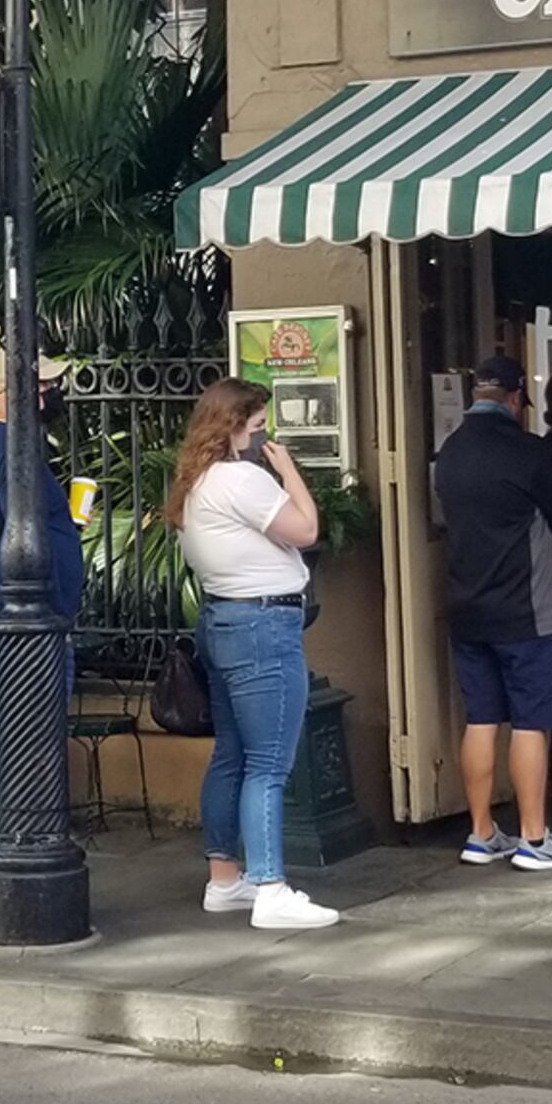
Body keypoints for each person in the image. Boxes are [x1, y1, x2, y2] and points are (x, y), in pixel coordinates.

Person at [171, 378, 335, 930]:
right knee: (269, 763)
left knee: (233, 754)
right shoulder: (241, 479)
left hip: (223, 619)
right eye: (259, 422)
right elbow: (307, 529)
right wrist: (289, 473)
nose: (264, 432)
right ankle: (270, 887)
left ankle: (225, 878)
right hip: (264, 623)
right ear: (234, 423)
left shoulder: (196, 482)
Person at [433, 356, 552, 871]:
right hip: (525, 608)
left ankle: (481, 833)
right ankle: (534, 837)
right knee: (532, 720)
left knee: (482, 717)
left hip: (466, 603)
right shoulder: (529, 452)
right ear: (515, 398)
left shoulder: (449, 452)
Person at [0, 352, 84, 919]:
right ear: (22, 390)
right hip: (18, 624)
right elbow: (20, 534)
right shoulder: (13, 451)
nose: (53, 393)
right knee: (16, 751)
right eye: (47, 384)